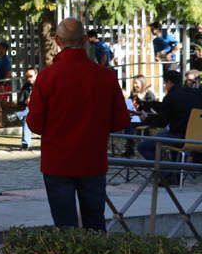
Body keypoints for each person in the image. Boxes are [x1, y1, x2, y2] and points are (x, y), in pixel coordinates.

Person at [26, 18, 130, 230]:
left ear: (57, 40)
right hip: (92, 159)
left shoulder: (47, 77)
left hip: (58, 160)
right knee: (94, 224)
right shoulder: (106, 76)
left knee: (65, 226)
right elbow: (121, 120)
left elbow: (35, 123)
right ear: (84, 40)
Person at [137, 70, 202, 166]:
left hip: (178, 136)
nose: (165, 86)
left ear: (168, 82)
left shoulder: (171, 96)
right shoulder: (195, 93)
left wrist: (147, 119)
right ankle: (172, 171)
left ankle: (166, 173)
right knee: (164, 134)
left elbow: (162, 122)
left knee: (143, 147)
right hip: (198, 137)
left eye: (165, 84)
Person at [11, 67, 37, 150]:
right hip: (30, 109)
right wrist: (26, 101)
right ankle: (25, 144)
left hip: (44, 109)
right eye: (27, 77)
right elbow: (22, 101)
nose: (28, 79)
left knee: (27, 112)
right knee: (26, 118)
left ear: (37, 75)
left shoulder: (43, 84)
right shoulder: (26, 86)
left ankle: (17, 115)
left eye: (31, 76)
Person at [0, 40, 13, 128]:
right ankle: (21, 104)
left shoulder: (6, 59)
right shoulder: (0, 58)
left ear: (4, 49)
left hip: (4, 85)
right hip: (1, 84)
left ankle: (0, 123)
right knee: (3, 104)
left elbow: (9, 73)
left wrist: (2, 84)